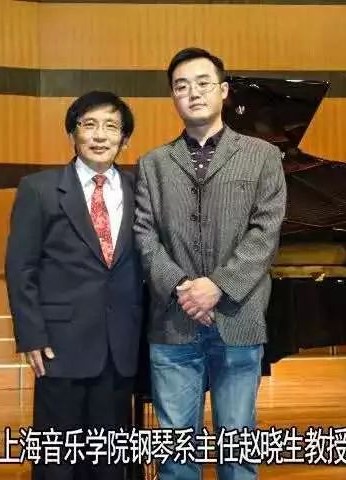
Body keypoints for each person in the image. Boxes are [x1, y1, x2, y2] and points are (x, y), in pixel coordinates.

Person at [133, 47, 287, 480]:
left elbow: (266, 231)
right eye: (181, 86)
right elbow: (144, 235)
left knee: (237, 447)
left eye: (203, 83)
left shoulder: (262, 155)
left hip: (238, 318)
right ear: (173, 98)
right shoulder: (152, 164)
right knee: (174, 450)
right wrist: (183, 286)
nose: (193, 93)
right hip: (173, 320)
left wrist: (217, 286)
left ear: (223, 91)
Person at [5, 91, 143, 480]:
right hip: (59, 344)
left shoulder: (140, 190)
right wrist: (30, 335)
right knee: (58, 460)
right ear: (73, 134)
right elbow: (21, 267)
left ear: (124, 139)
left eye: (111, 127)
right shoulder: (39, 188)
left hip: (120, 344)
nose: (100, 135)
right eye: (89, 125)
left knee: (110, 461)